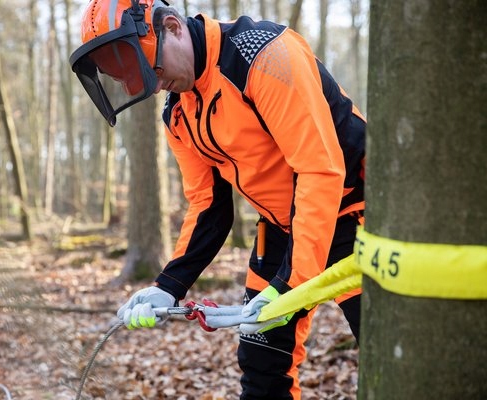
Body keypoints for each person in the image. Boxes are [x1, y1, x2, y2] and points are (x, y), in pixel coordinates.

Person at [69, 1, 366, 399]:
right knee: (262, 367)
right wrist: (168, 285)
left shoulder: (263, 56)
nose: (154, 86)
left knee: (387, 345)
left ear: (173, 27)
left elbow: (320, 169)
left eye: (153, 69)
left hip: (357, 215)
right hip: (281, 228)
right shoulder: (179, 114)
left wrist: (288, 283)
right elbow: (208, 205)